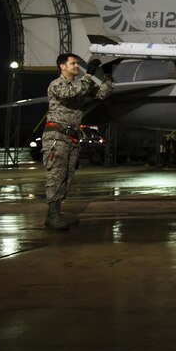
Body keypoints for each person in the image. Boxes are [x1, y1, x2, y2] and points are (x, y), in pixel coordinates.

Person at [41, 54, 114, 230]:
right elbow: (70, 93)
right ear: (62, 67)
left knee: (66, 177)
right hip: (56, 136)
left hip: (71, 137)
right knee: (56, 175)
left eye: (77, 64)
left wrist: (109, 75)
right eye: (73, 64)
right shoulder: (57, 85)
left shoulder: (80, 85)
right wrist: (88, 74)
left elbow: (102, 94)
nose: (76, 66)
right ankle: (53, 216)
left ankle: (54, 215)